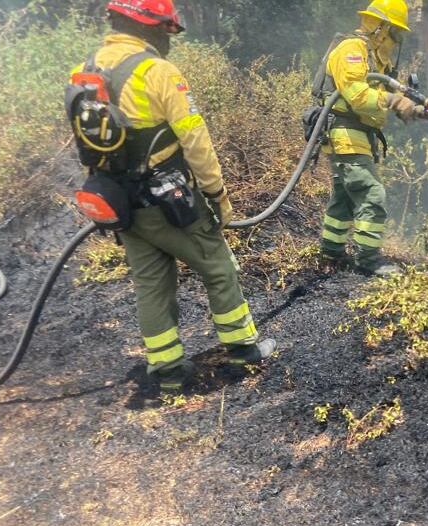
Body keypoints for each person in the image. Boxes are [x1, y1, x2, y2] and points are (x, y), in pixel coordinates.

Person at [71, 0, 275, 394]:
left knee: (151, 283)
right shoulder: (157, 71)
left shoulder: (85, 70)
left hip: (120, 202)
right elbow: (195, 138)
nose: (168, 39)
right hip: (169, 201)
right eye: (166, 29)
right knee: (218, 265)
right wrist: (216, 192)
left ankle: (167, 372)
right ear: (147, 25)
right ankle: (244, 351)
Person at [317, 0, 428, 276]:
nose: (397, 39)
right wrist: (397, 101)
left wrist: (420, 110)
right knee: (371, 193)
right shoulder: (352, 50)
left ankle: (330, 255)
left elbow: (391, 97)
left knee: (344, 197)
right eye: (396, 32)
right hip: (345, 132)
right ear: (381, 28)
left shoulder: (375, 58)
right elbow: (358, 96)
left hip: (360, 134)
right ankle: (368, 259)